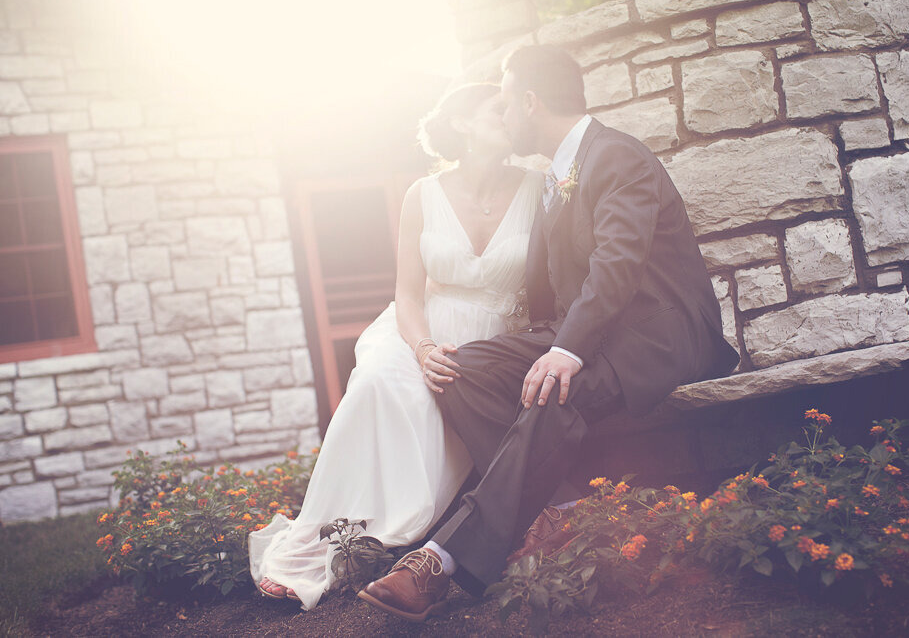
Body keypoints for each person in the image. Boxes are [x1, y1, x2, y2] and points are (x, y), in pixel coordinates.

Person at [358, 44, 739, 622]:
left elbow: (618, 269)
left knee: (549, 393)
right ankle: (559, 514)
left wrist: (563, 351)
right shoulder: (558, 171)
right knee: (463, 371)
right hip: (590, 330)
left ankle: (439, 562)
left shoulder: (616, 157)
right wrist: (544, 341)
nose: (504, 116)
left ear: (530, 102)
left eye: (506, 102)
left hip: (654, 334)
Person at [249, 82, 544, 610]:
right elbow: (406, 292)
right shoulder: (423, 194)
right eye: (497, 108)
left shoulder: (537, 188)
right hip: (417, 327)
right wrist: (422, 346)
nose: (511, 115)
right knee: (381, 382)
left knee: (443, 402)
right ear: (462, 123)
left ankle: (390, 539)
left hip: (492, 339)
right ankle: (315, 543)